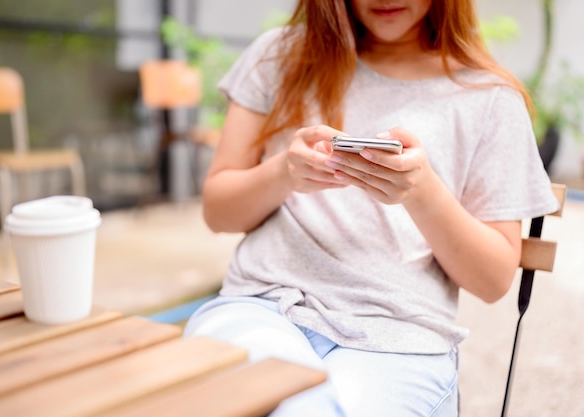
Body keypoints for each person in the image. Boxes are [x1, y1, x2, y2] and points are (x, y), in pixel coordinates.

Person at [183, 1, 560, 416]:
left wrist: (424, 193)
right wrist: (283, 173)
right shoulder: (281, 55)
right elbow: (218, 212)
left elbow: (492, 281)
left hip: (400, 336)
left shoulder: (489, 97)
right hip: (261, 306)